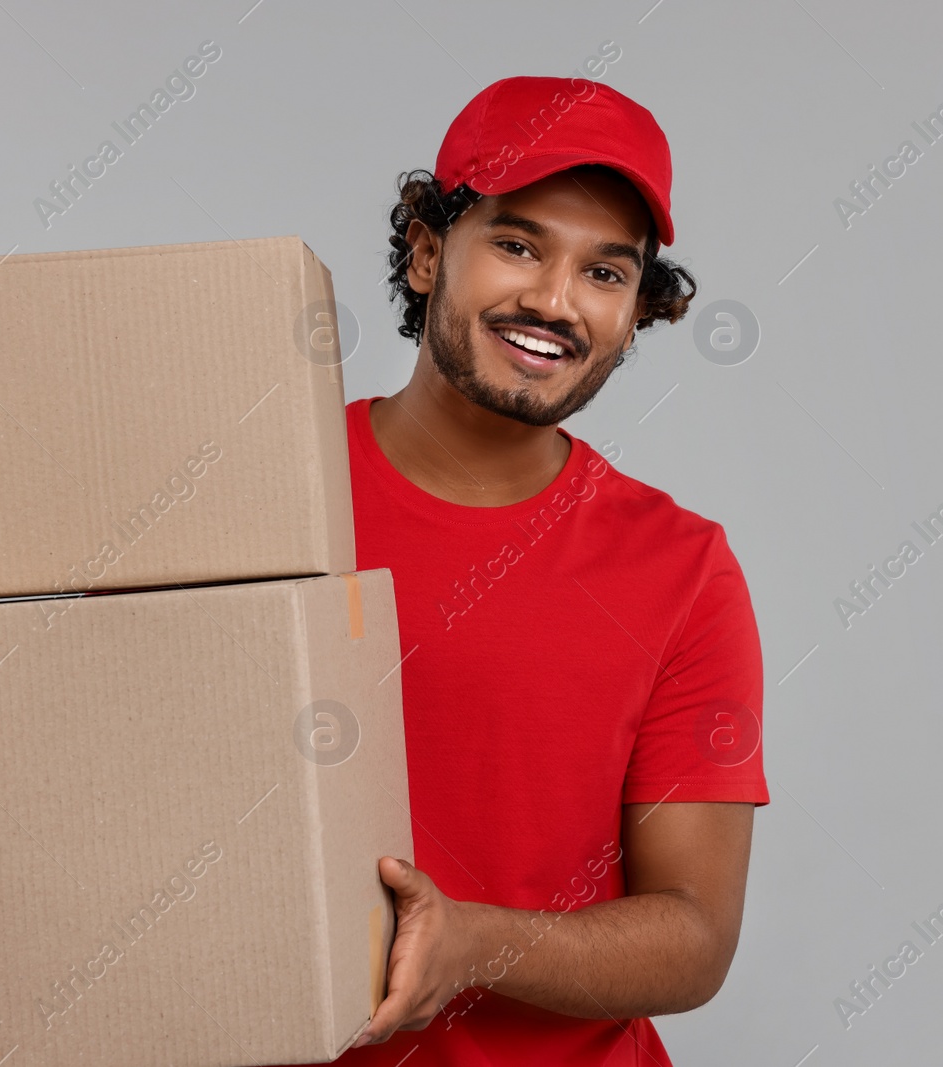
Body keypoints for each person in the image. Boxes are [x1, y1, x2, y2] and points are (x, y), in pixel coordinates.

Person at [329, 75, 769, 1066]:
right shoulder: (258, 496)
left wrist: (474, 942)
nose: (553, 301)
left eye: (605, 274)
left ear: (637, 310)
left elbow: (694, 932)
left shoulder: (682, 569)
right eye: (518, 244)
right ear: (427, 250)